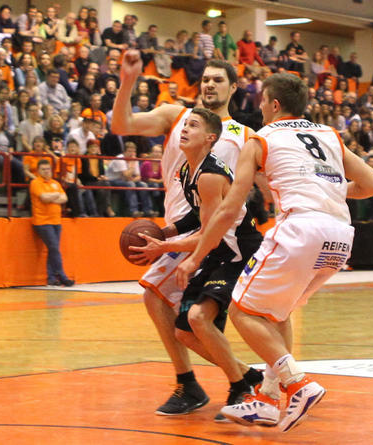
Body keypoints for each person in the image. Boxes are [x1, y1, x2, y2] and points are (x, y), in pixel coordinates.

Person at [176, 73, 373, 431]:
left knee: (242, 311)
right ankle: (269, 401)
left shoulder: (262, 138)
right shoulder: (329, 134)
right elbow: (372, 184)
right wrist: (325, 187)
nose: (259, 109)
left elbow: (228, 209)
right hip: (340, 237)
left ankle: (298, 383)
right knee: (277, 313)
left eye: (262, 103)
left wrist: (195, 257)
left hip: (301, 229)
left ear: (274, 104)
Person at [111, 50, 264, 418]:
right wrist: (128, 81)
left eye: (218, 80)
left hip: (215, 233)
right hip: (182, 226)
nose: (209, 84)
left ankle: (210, 382)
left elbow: (262, 184)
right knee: (189, 323)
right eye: (205, 79)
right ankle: (241, 378)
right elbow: (122, 124)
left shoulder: (246, 136)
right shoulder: (177, 117)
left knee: (163, 300)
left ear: (233, 87)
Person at [30, 159, 75, 287]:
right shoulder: (35, 183)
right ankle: (62, 275)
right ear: (38, 171)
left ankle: (51, 278)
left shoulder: (55, 183)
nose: (46, 171)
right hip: (42, 221)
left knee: (52, 249)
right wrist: (55, 196)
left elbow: (64, 198)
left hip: (56, 221)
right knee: (54, 247)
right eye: (43, 169)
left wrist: (50, 197)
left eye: (48, 169)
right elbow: (43, 198)